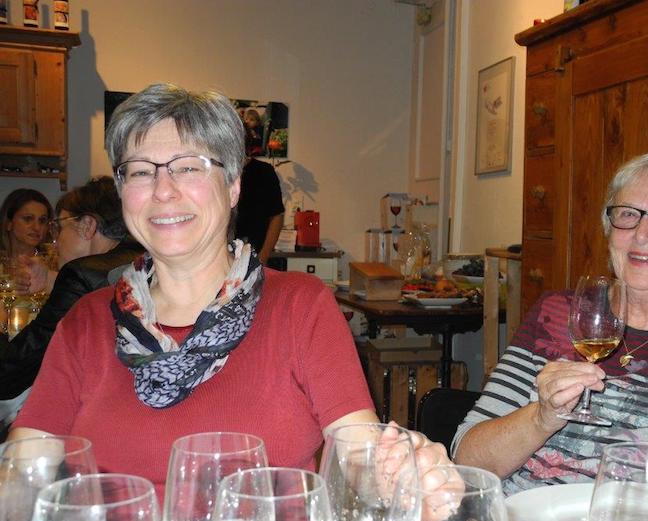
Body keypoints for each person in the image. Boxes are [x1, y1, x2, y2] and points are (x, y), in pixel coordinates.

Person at [9, 83, 449, 498]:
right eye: (140, 172)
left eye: (188, 167)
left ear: (233, 185)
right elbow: (20, 474)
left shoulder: (300, 306)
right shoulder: (85, 322)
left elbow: (360, 458)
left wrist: (404, 478)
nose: (163, 191)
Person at [453, 149, 648, 496]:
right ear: (609, 231)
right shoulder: (557, 313)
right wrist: (541, 418)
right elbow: (467, 462)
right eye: (628, 214)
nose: (642, 234)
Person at [0, 177, 143, 404]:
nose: (55, 241)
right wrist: (51, 279)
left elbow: (8, 375)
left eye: (58, 227)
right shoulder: (144, 258)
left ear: (87, 226)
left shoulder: (80, 275)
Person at [235, 130, 285, 263]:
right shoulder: (219, 173)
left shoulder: (264, 172)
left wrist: (263, 257)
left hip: (256, 255)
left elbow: (277, 216)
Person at [0, 188, 52, 259]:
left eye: (42, 220)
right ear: (8, 223)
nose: (37, 227)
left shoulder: (54, 261)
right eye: (28, 219)